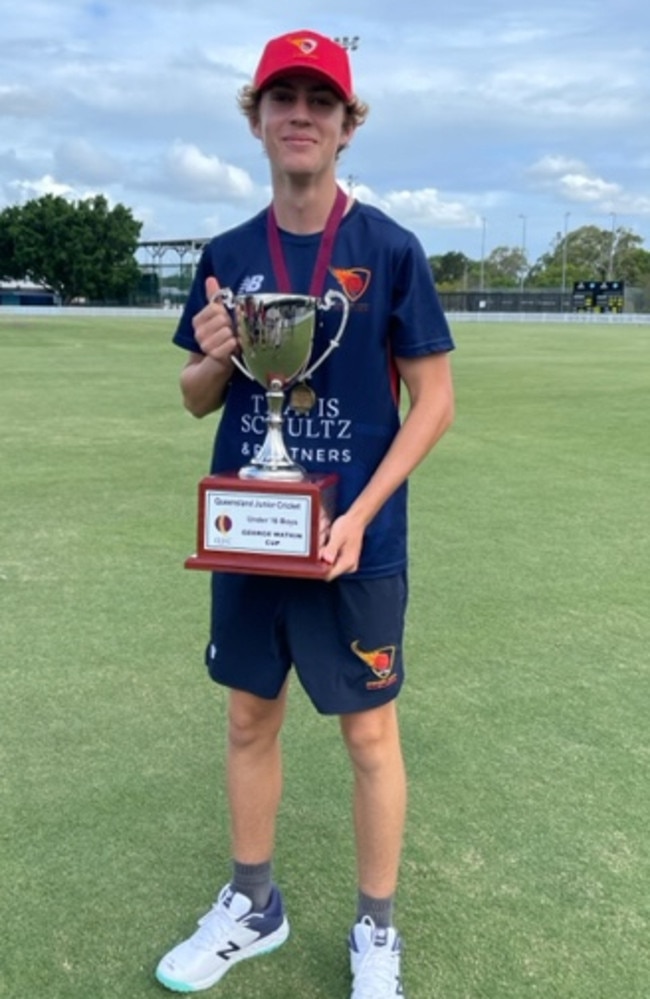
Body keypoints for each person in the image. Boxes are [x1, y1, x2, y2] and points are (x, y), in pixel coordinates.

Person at [155, 28, 455, 999]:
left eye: (318, 101)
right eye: (280, 98)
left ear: (344, 125)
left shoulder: (388, 248)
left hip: (350, 541)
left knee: (368, 734)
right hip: (251, 528)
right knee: (249, 719)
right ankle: (253, 905)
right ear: (254, 118)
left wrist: (360, 513)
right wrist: (208, 351)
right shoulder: (229, 252)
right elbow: (201, 398)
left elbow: (433, 402)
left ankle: (375, 930)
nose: (299, 115)